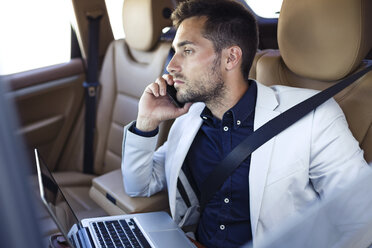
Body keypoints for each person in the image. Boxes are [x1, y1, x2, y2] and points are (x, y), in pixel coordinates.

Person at [121, 0, 370, 247]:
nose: (171, 66)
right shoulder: (190, 118)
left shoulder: (315, 116)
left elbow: (360, 221)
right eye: (174, 52)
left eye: (187, 51)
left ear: (231, 58)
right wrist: (146, 122)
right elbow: (139, 187)